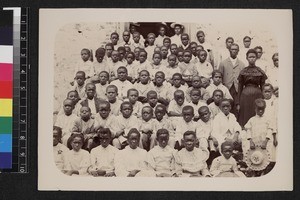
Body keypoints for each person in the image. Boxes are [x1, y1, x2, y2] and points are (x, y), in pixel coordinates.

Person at [244, 99, 276, 172]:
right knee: (256, 156)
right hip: (255, 142)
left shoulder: (267, 119)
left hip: (265, 142)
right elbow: (248, 129)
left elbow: (270, 129)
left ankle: (264, 171)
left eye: (262, 109)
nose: (260, 111)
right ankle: (254, 170)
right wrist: (250, 141)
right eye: (259, 109)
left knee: (265, 157)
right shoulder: (252, 120)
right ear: (255, 109)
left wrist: (266, 141)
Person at [237, 49, 267, 127]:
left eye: (253, 57)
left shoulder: (260, 71)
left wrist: (263, 99)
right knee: (245, 114)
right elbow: (240, 88)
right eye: (250, 57)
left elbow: (263, 86)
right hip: (245, 96)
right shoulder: (243, 71)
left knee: (256, 112)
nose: (252, 58)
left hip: (257, 95)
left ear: (256, 58)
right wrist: (238, 102)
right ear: (247, 58)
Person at [218, 43, 245, 117]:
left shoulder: (242, 64)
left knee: (237, 107)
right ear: (229, 50)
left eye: (236, 49)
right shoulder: (223, 63)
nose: (234, 51)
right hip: (227, 87)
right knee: (226, 105)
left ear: (238, 51)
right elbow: (219, 75)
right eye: (232, 49)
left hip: (237, 89)